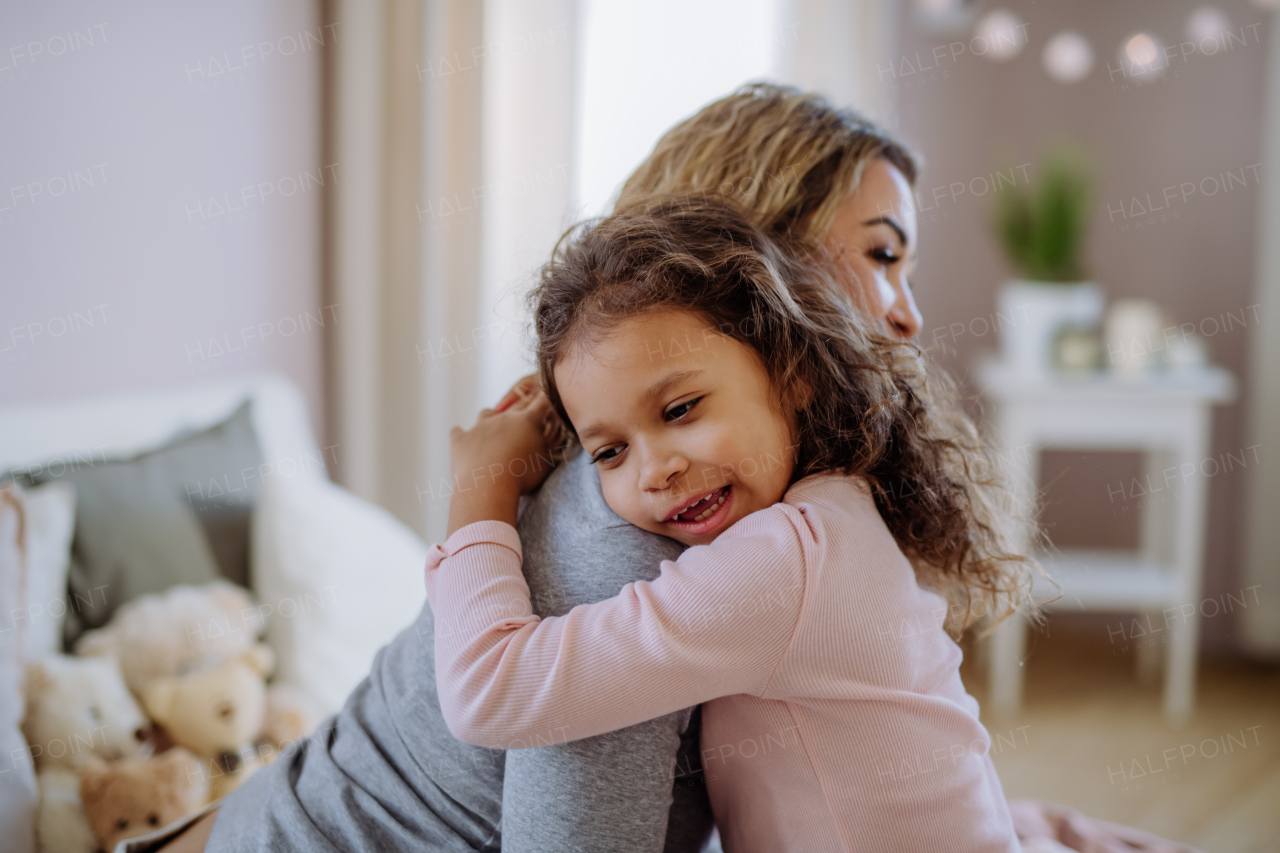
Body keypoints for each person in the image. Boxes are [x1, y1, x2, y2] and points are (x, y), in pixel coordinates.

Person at [143, 83, 929, 853]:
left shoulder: (772, 509)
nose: (908, 312)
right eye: (882, 253)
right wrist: (475, 492)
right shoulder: (630, 546)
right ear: (766, 271)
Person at [427, 195, 1034, 852]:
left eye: (681, 408)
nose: (655, 469)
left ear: (791, 373)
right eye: (609, 451)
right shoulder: (834, 510)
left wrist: (480, 487)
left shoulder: (782, 564)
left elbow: (489, 690)